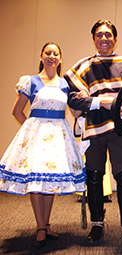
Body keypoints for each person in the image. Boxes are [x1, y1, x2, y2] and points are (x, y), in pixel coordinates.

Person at [64, 20, 122, 252]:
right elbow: (73, 98)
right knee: (95, 177)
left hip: (119, 130)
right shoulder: (84, 66)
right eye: (99, 35)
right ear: (94, 39)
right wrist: (103, 102)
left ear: (115, 38)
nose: (104, 39)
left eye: (108, 34)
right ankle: (97, 224)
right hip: (94, 130)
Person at [0, 42, 86, 248]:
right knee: (36, 182)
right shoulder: (30, 81)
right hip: (37, 138)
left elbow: (74, 112)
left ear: (60, 58)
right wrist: (31, 131)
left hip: (58, 138)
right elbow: (17, 111)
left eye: (55, 54)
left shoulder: (65, 84)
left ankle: (46, 224)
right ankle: (40, 226)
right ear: (41, 57)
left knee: (50, 183)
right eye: (48, 53)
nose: (51, 56)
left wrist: (83, 98)